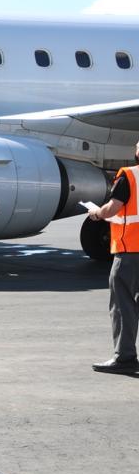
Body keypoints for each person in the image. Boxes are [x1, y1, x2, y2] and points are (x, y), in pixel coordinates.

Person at [88, 137, 139, 375]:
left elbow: (113, 208)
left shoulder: (129, 176)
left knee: (123, 305)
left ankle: (125, 357)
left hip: (130, 252)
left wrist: (97, 213)